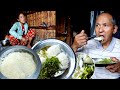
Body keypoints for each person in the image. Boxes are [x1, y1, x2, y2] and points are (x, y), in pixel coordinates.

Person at [71, 12, 120, 79]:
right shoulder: (88, 44)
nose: (100, 30)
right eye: (97, 25)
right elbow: (69, 62)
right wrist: (75, 46)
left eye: (105, 25)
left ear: (114, 29)